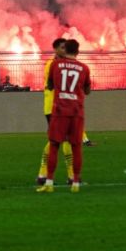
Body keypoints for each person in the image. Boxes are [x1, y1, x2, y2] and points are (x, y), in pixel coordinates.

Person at [37, 39, 91, 193]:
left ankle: (49, 179)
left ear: (66, 50)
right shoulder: (83, 67)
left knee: (56, 143)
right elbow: (87, 90)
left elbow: (51, 84)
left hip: (59, 109)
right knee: (72, 145)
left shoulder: (56, 65)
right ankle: (73, 180)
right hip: (71, 109)